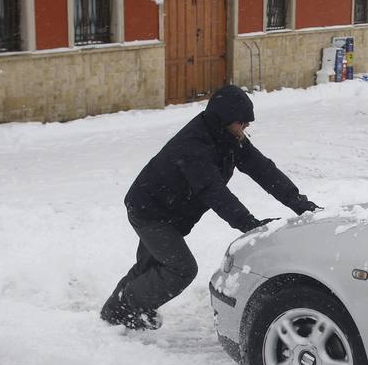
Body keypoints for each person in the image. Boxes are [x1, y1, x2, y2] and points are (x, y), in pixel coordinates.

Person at [101, 84, 318, 330]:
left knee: (151, 265)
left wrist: (299, 203)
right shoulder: (194, 146)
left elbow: (263, 170)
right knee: (180, 268)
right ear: (223, 119)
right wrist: (248, 223)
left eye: (247, 123)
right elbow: (214, 191)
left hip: (170, 210)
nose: (245, 128)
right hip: (151, 211)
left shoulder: (229, 137)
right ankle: (127, 309)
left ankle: (114, 313)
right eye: (241, 123)